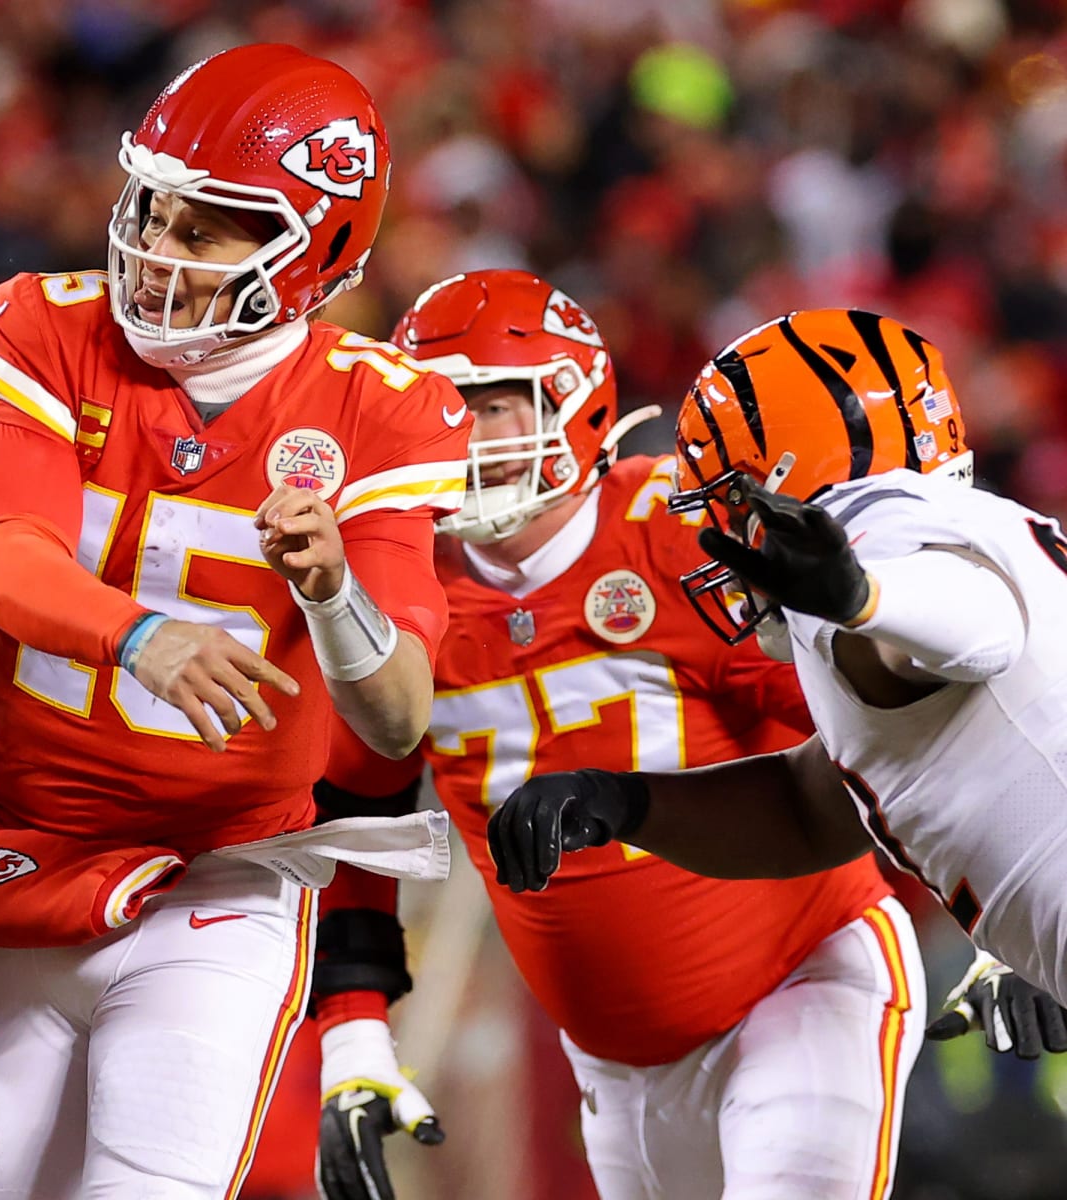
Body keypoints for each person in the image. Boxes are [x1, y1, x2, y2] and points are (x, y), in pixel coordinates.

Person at [0, 43, 468, 1199]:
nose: (155, 252)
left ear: (315, 252)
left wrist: (334, 591)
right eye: (155, 208)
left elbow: (394, 721)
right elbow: (8, 560)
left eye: (206, 229)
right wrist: (140, 634)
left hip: (221, 883)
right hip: (36, 862)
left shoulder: (380, 412)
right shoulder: (47, 327)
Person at [310, 273, 922, 1200]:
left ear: (576, 400)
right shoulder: (396, 582)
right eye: (442, 408)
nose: (462, 438)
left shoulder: (681, 535)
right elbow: (359, 815)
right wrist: (354, 1037)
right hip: (613, 1065)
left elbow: (889, 736)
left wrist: (998, 919)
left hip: (802, 978)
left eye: (493, 407)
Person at [487, 308, 1067, 1068]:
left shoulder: (875, 527)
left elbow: (985, 627)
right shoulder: (974, 524)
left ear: (788, 475)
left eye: (727, 496)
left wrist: (861, 595)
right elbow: (813, 808)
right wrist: (623, 802)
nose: (718, 531)